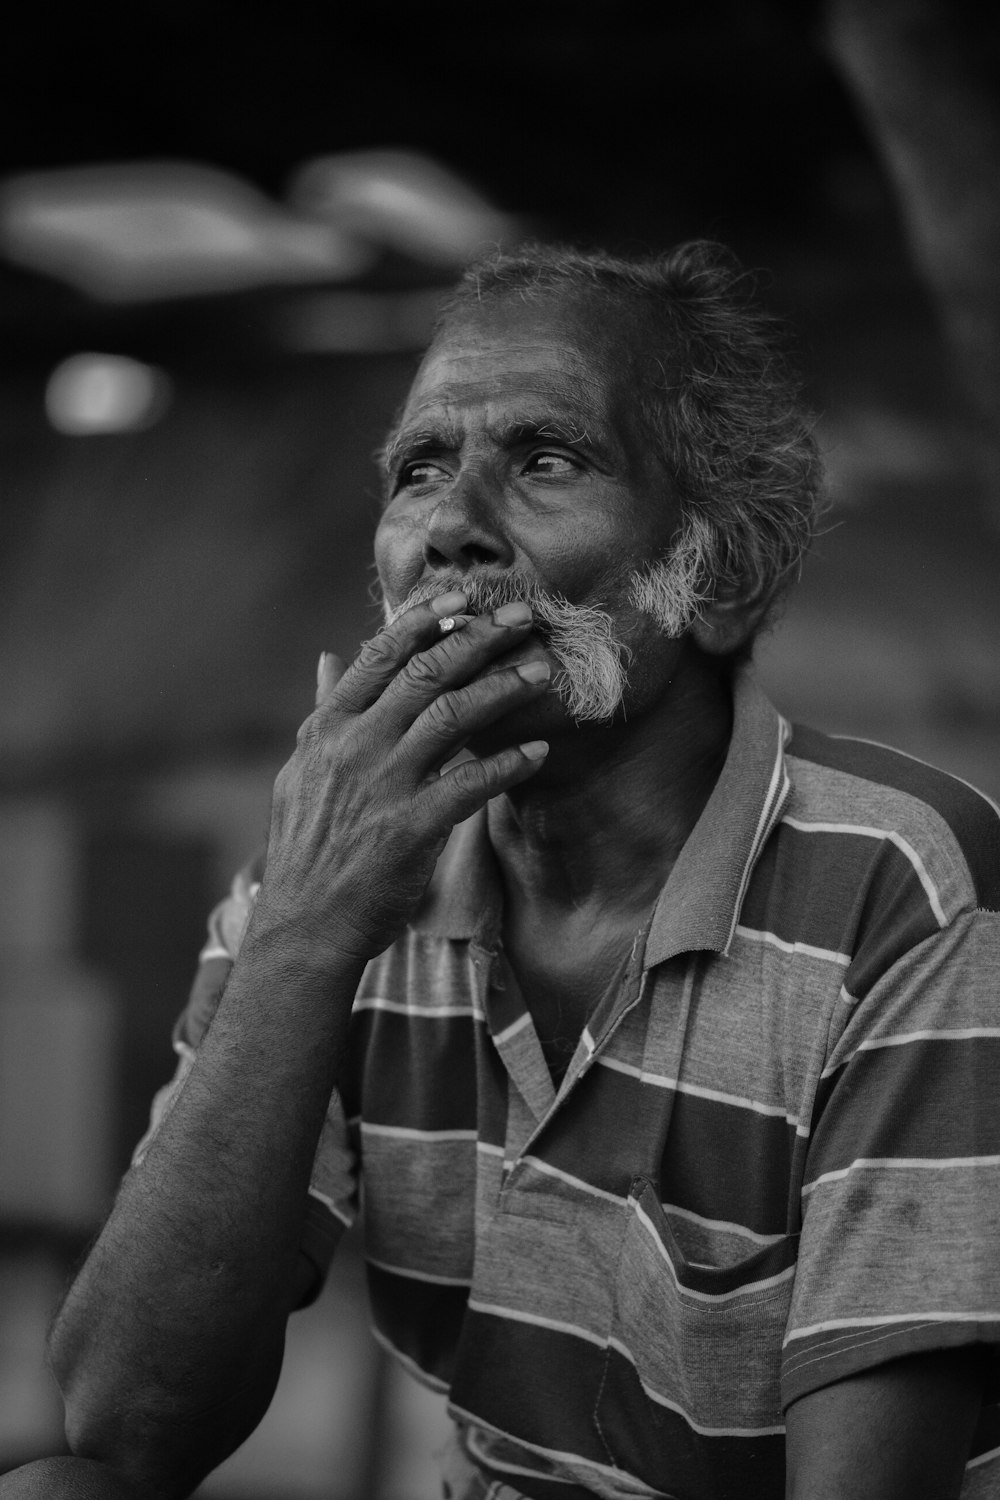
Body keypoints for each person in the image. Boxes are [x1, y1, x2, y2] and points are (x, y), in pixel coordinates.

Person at [34, 242, 1000, 1500]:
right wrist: (306, 937)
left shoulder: (899, 888)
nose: (451, 532)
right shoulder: (332, 873)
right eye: (420, 471)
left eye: (545, 461)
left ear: (717, 574)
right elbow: (124, 1419)